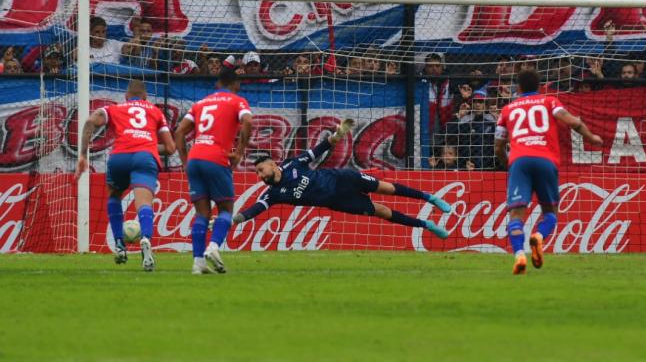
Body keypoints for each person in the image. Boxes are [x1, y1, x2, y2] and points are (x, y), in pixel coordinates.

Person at [233, 120, 451, 239]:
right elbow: (253, 210)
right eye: (258, 174)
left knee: (387, 188)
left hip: (342, 179)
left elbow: (319, 149)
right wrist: (232, 220)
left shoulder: (292, 163)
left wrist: (335, 137)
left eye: (261, 170)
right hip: (339, 202)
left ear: (272, 163)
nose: (260, 176)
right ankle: (426, 225)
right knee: (382, 211)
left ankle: (429, 198)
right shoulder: (272, 194)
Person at [494, 69, 604, 275]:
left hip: (519, 161)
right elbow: (573, 122)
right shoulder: (549, 102)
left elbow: (498, 147)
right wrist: (591, 137)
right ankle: (539, 238)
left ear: (518, 88)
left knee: (516, 214)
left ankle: (519, 254)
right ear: (539, 87)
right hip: (546, 161)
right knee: (550, 214)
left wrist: (510, 163)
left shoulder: (507, 110)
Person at [75, 80, 175, 271]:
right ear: (146, 98)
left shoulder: (115, 108)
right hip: (145, 157)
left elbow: (89, 122)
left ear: (126, 97)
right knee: (144, 203)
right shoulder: (155, 111)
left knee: (114, 196)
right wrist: (145, 144)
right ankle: (145, 239)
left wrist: (82, 155)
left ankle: (120, 245)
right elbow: (170, 148)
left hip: (119, 156)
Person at [173, 69, 253, 275]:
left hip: (195, 158)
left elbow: (179, 131)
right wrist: (239, 153)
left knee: (202, 213)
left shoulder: (200, 103)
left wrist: (184, 160)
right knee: (225, 209)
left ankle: (198, 263)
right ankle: (214, 247)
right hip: (216, 157)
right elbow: (248, 121)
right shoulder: (237, 101)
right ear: (236, 85)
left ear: (218, 84)